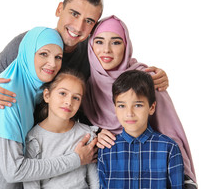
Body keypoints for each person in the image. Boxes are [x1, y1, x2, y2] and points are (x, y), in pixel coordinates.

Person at [0, 0, 169, 111]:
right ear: (59, 9)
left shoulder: (91, 53)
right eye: (74, 13)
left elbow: (119, 67)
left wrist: (150, 74)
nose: (78, 27)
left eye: (89, 21)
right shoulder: (28, 43)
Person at [0, 27, 97, 189]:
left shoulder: (29, 93)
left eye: (58, 57)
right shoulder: (5, 95)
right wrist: (76, 159)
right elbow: (14, 170)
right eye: (43, 54)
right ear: (27, 53)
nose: (52, 63)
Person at [82, 15, 197, 187]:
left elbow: (170, 129)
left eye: (116, 42)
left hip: (155, 163)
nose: (106, 50)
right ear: (90, 46)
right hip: (111, 162)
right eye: (99, 42)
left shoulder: (146, 80)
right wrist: (96, 133)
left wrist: (186, 180)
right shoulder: (85, 87)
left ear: (126, 46)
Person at [98, 70, 184, 188]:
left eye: (138, 105)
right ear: (115, 108)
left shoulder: (169, 148)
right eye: (122, 106)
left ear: (152, 107)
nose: (129, 113)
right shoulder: (106, 150)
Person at [23, 69, 99, 189]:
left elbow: (95, 181)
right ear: (47, 95)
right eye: (63, 93)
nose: (69, 102)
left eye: (76, 98)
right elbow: (31, 183)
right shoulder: (34, 139)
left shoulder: (86, 134)